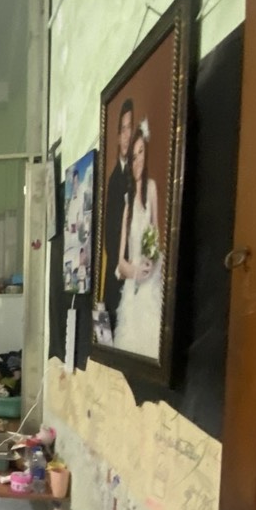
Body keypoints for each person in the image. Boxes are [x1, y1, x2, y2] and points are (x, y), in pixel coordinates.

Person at [114, 121, 162, 358]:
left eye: (141, 153)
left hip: (151, 280)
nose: (138, 160)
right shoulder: (127, 203)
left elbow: (156, 234)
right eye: (133, 156)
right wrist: (134, 271)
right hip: (134, 282)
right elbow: (120, 263)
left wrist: (150, 262)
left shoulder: (151, 188)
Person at [102, 98, 135, 333]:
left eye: (129, 129)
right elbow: (110, 235)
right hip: (117, 271)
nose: (126, 136)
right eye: (122, 130)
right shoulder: (115, 179)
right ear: (117, 136)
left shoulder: (135, 175)